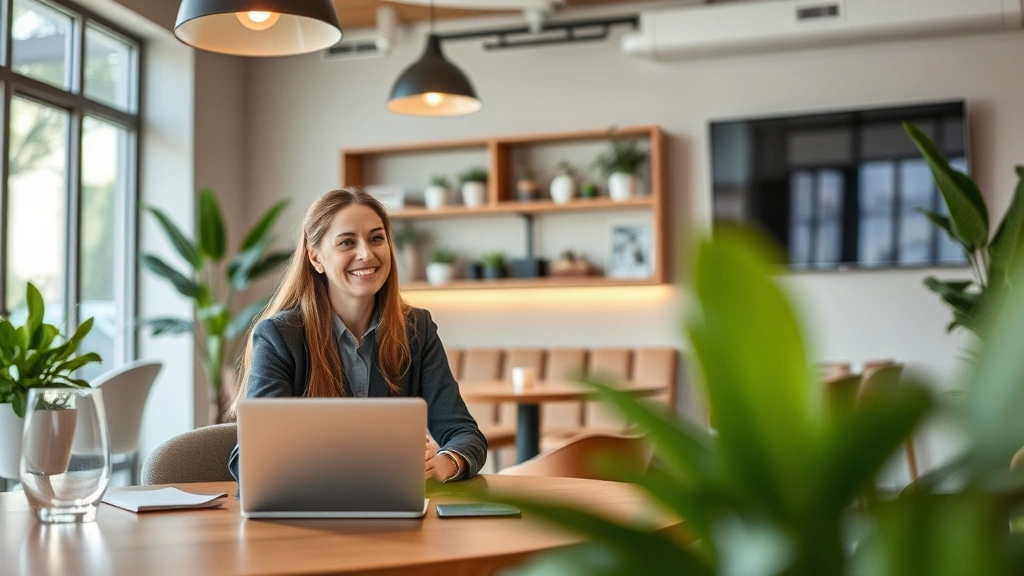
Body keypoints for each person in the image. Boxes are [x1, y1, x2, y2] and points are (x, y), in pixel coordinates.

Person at [227, 188, 487, 482]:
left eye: (377, 238)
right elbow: (250, 459)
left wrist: (444, 464)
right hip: (307, 514)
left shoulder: (417, 328)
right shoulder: (279, 337)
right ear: (315, 258)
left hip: (396, 513)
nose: (366, 254)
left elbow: (465, 434)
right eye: (346, 242)